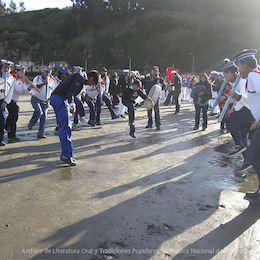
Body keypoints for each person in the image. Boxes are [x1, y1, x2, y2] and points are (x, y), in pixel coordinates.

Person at [50, 70, 99, 166]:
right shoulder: (80, 77)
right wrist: (72, 104)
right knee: (66, 127)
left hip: (59, 98)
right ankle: (66, 155)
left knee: (65, 126)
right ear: (91, 78)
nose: (90, 85)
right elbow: (70, 92)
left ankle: (66, 154)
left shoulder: (80, 78)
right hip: (60, 99)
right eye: (92, 83)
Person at [232, 49, 260, 200]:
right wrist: (239, 98)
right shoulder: (254, 76)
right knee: (255, 155)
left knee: (253, 154)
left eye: (239, 66)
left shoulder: (254, 76)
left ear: (246, 65)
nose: (238, 70)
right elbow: (253, 102)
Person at [28, 66, 56, 138]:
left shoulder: (52, 80)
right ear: (43, 72)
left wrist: (49, 100)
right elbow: (35, 87)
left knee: (44, 116)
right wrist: (44, 83)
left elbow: (52, 92)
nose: (47, 74)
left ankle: (41, 133)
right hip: (36, 98)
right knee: (38, 111)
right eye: (46, 72)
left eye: (49, 72)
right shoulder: (37, 78)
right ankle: (32, 123)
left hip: (45, 101)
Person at [5, 65, 31, 142]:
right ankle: (6, 125)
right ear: (17, 71)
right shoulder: (12, 78)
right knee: (15, 110)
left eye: (24, 72)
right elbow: (17, 89)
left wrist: (29, 88)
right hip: (9, 99)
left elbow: (23, 91)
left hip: (14, 100)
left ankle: (11, 135)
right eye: (22, 72)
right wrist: (22, 81)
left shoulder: (19, 80)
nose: (23, 73)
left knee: (15, 117)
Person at [144, 66, 165, 130]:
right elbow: (143, 83)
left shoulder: (160, 79)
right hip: (148, 96)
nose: (154, 72)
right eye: (153, 70)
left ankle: (158, 124)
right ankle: (150, 123)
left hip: (156, 97)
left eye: (155, 71)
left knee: (156, 111)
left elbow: (164, 87)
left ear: (158, 72)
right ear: (151, 71)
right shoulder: (147, 77)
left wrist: (160, 85)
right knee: (149, 110)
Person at [0, 59, 15, 146]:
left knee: (2, 120)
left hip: (2, 100)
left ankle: (1, 139)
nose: (6, 69)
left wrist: (6, 102)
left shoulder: (11, 78)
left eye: (8, 68)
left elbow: (11, 92)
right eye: (5, 67)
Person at [53, 66, 69, 135]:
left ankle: (62, 126)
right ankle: (58, 126)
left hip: (65, 99)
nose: (63, 75)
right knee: (59, 113)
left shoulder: (67, 80)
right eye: (62, 74)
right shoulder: (54, 80)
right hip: (57, 98)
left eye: (64, 74)